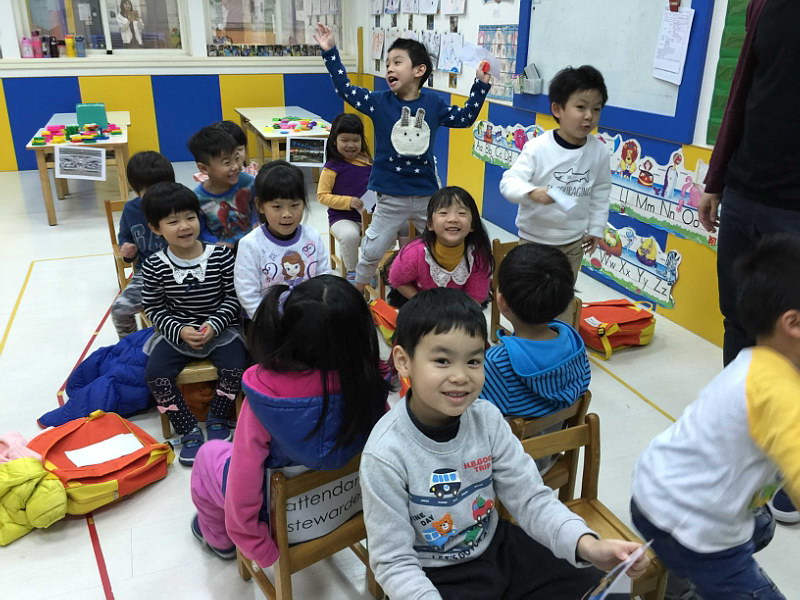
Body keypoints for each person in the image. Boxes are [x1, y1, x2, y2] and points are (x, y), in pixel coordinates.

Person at [360, 288, 649, 599]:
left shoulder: (486, 419)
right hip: (434, 575)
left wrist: (588, 545)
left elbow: (530, 499)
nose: (461, 376)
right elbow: (394, 562)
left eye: (473, 361)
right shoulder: (385, 454)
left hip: (498, 548)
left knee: (601, 589)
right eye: (442, 360)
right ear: (403, 361)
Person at [631, 234, 800, 600]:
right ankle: (682, 581)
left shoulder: (757, 361)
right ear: (793, 323)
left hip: (654, 487)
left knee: (762, 526)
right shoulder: (779, 392)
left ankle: (681, 571)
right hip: (689, 525)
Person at [189, 275, 391, 565]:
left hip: (279, 524)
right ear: (361, 332)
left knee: (210, 454)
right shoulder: (371, 383)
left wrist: (257, 545)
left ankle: (219, 540)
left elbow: (244, 479)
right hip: (351, 508)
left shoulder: (264, 395)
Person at [697, 0, 800, 525]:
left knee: (790, 336)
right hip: (744, 192)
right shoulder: (765, 5)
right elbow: (740, 94)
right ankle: (740, 435)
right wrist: (717, 179)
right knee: (737, 319)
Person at [313, 24, 492, 293]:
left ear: (419, 71)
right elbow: (345, 90)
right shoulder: (379, 102)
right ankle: (357, 292)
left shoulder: (433, 104)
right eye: (387, 64)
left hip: (427, 196)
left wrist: (481, 84)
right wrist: (330, 52)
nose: (389, 68)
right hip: (390, 196)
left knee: (440, 245)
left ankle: (445, 289)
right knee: (372, 249)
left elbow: (465, 118)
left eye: (397, 62)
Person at [140, 182, 247, 467]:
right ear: (155, 228)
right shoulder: (154, 265)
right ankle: (186, 428)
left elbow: (233, 299)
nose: (185, 226)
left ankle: (218, 416)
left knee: (237, 366)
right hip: (177, 333)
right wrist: (179, 330)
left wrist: (214, 324)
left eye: (190, 217)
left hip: (220, 331)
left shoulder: (221, 256)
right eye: (173, 221)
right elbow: (154, 308)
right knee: (155, 374)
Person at [482, 243, 591, 473]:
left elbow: (476, 418)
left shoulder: (497, 364)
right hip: (550, 455)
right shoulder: (574, 343)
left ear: (501, 301)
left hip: (513, 470)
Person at [499, 65, 611, 281]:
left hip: (573, 244)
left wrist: (596, 228)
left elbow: (600, 193)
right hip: (533, 241)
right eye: (581, 107)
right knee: (530, 295)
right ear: (557, 109)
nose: (589, 116)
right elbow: (509, 182)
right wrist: (531, 192)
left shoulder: (599, 152)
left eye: (596, 109)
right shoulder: (538, 147)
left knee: (562, 296)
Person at [234, 160, 330, 319]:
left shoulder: (312, 237)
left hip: (308, 318)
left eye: (294, 205)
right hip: (266, 321)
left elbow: (325, 279)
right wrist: (270, 323)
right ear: (260, 205)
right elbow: (247, 294)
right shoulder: (250, 244)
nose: (287, 214)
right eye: (277, 207)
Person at [387, 186, 492, 306]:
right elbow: (397, 280)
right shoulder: (415, 253)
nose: (453, 219)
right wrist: (424, 303)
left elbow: (476, 297)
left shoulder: (478, 256)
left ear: (472, 225)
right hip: (421, 306)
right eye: (443, 213)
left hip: (460, 310)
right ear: (430, 224)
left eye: (462, 213)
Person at [110, 151, 174, 338]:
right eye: (149, 190)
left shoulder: (179, 203)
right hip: (148, 275)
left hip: (184, 272)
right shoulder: (131, 210)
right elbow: (125, 237)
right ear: (136, 188)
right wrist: (127, 251)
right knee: (120, 311)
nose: (157, 195)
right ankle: (131, 346)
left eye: (162, 187)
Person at [316, 113, 372, 283]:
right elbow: (322, 196)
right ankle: (353, 271)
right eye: (345, 140)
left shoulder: (368, 162)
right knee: (350, 236)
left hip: (369, 216)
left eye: (355, 140)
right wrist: (348, 202)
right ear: (335, 141)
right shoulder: (332, 168)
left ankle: (372, 268)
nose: (351, 145)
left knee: (387, 233)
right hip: (342, 217)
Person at [187, 126, 256, 248]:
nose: (236, 166)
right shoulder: (198, 198)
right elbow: (200, 230)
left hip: (253, 243)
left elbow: (257, 206)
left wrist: (256, 222)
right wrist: (215, 243)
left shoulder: (248, 182)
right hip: (221, 250)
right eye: (227, 163)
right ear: (204, 168)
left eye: (236, 158)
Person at [193, 120, 258, 183]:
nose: (235, 155)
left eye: (239, 149)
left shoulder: (250, 173)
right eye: (226, 162)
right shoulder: (210, 179)